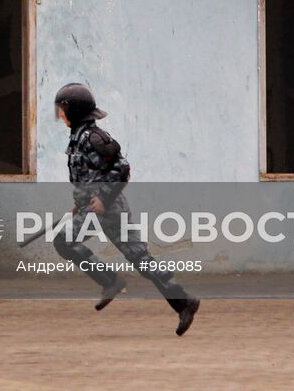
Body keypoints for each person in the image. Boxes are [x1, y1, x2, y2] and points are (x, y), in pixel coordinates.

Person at [51, 82, 200, 336]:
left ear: (75, 110)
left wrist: (104, 198)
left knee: (137, 258)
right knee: (65, 241)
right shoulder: (78, 137)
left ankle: (176, 300)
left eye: (63, 109)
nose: (60, 114)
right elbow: (88, 173)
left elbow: (122, 169)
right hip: (92, 206)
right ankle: (121, 283)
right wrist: (79, 199)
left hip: (108, 207)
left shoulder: (94, 137)